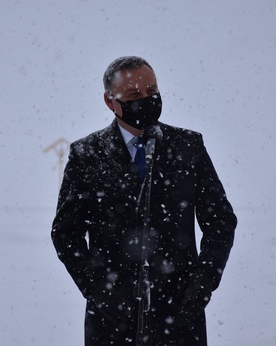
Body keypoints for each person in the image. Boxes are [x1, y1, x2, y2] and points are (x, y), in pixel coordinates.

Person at [51, 56, 237, 345]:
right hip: (112, 321)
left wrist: (202, 282)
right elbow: (65, 234)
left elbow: (221, 221)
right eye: (135, 95)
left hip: (180, 316)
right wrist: (99, 290)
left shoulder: (189, 147)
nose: (147, 100)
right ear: (110, 100)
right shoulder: (86, 156)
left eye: (152, 91)